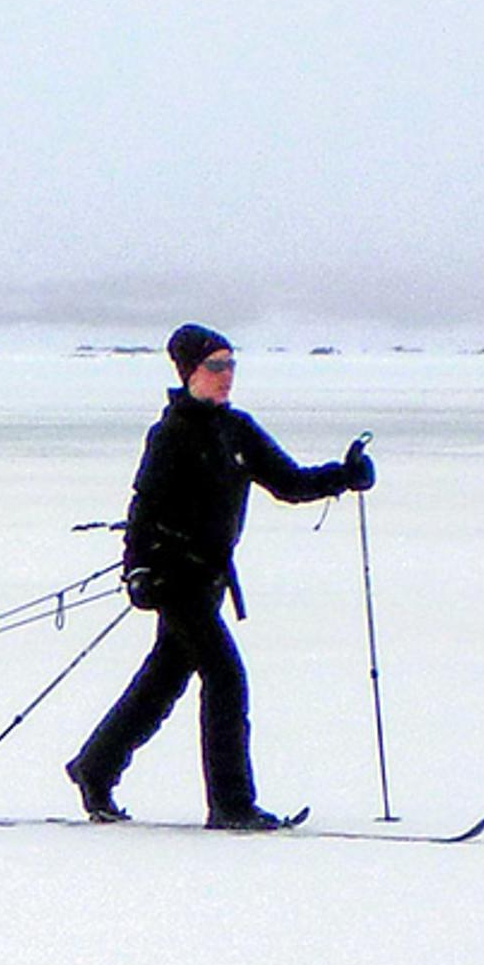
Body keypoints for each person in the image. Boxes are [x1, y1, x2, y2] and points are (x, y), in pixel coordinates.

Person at [66, 326, 372, 827]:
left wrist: (345, 475)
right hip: (173, 577)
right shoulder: (171, 434)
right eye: (215, 366)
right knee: (226, 677)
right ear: (188, 373)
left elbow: (290, 482)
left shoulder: (238, 430)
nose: (226, 376)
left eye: (231, 365)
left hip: (209, 580)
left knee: (162, 682)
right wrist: (137, 569)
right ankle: (231, 804)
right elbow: (144, 508)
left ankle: (95, 767)